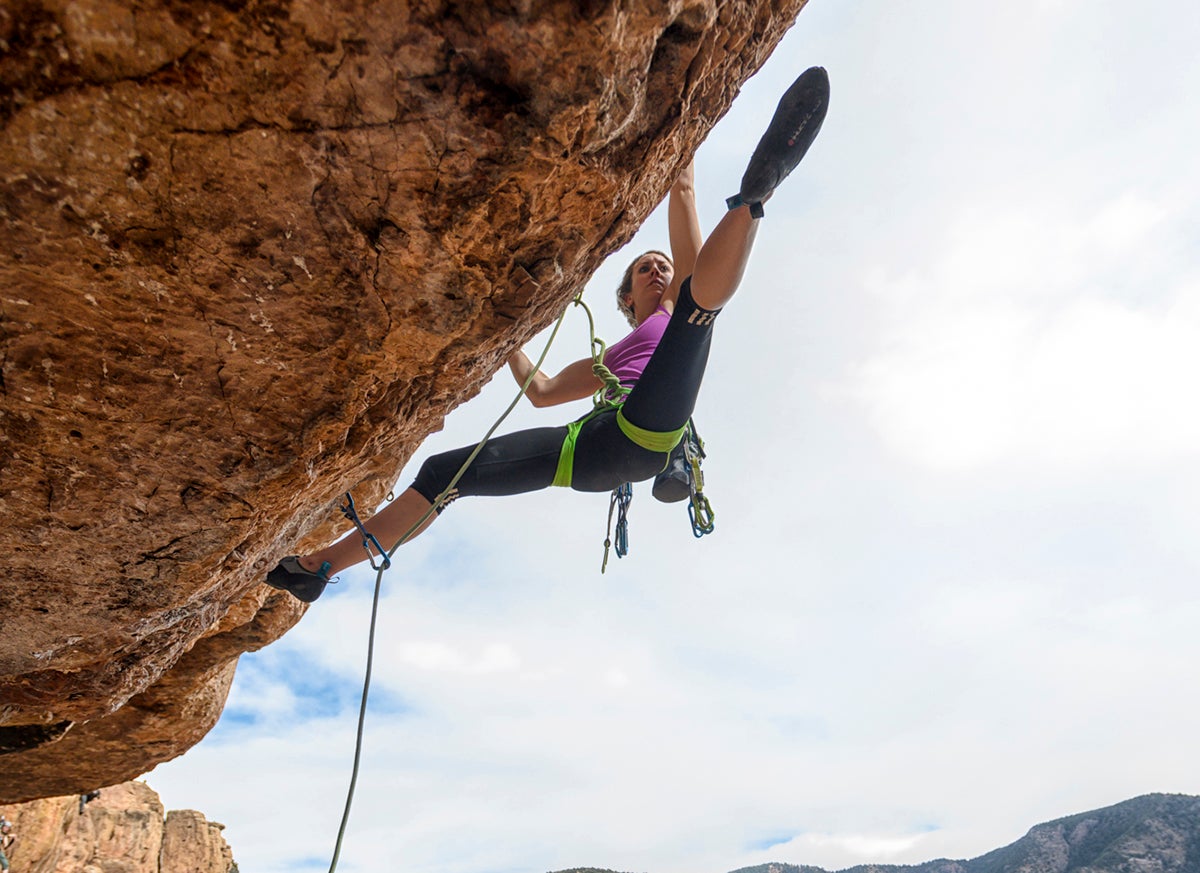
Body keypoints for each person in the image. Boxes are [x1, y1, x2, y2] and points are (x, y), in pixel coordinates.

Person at [267, 66, 830, 602]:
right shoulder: (610, 358)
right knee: (446, 473)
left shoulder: (676, 300)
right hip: (590, 447)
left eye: (663, 265)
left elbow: (679, 194)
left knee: (696, 312)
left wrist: (683, 141)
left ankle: (755, 197)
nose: (658, 270)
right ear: (626, 299)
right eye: (644, 269)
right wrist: (503, 337)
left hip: (652, 428)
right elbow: (541, 392)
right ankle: (321, 570)